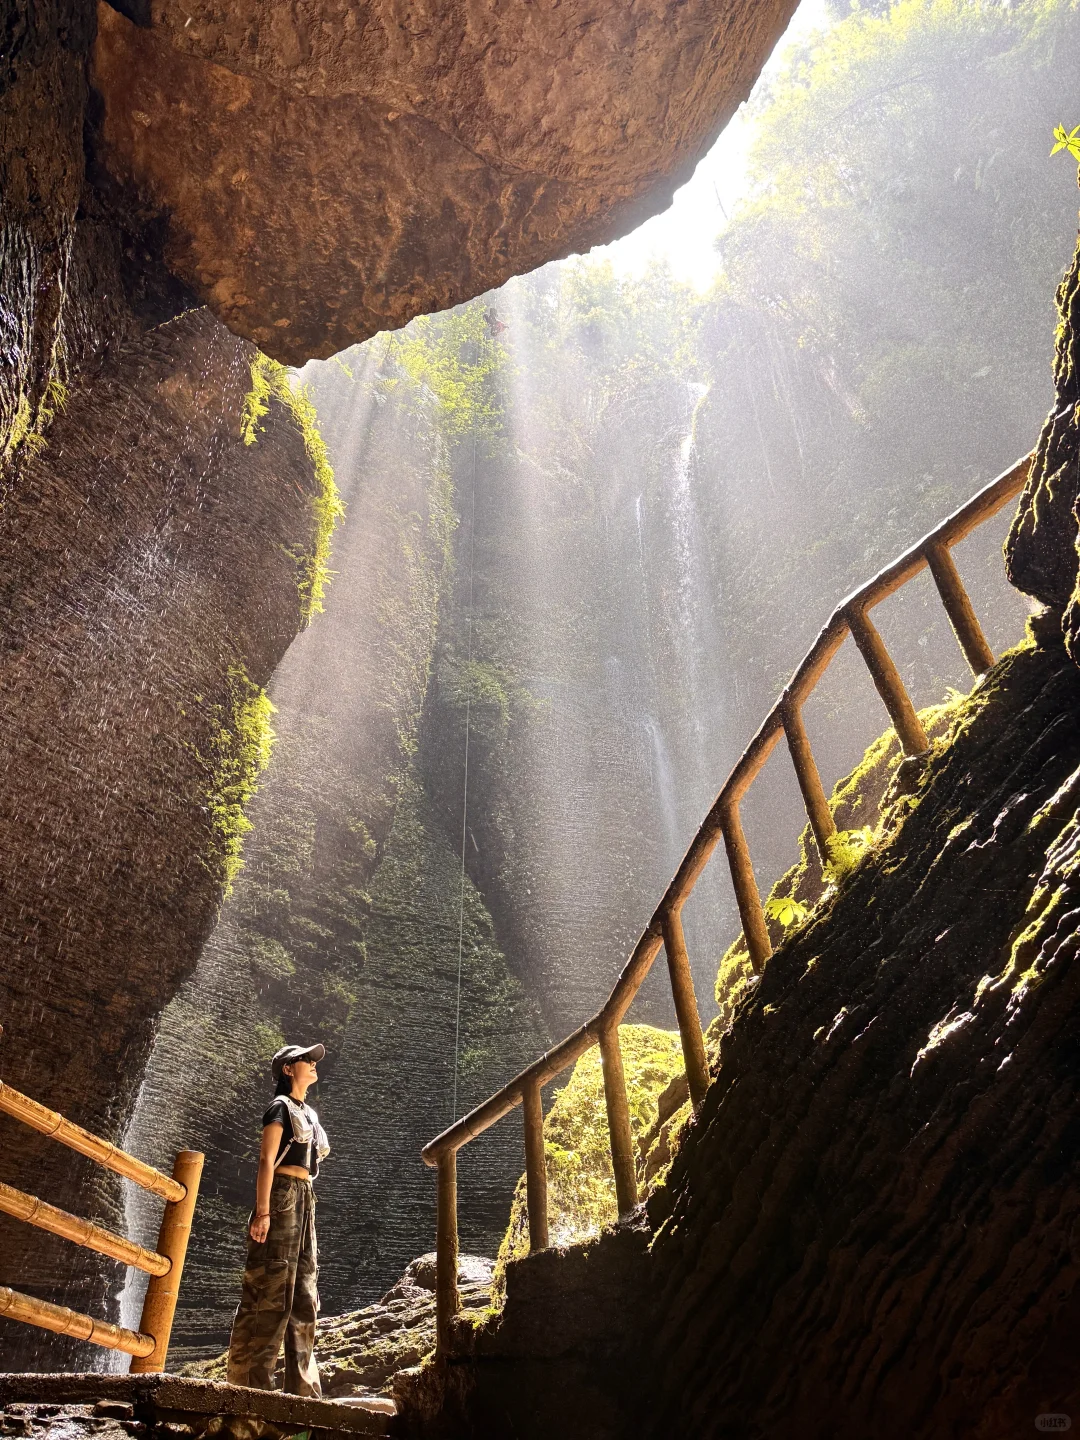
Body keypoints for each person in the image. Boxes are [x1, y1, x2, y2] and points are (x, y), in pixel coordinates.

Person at [226, 1043, 330, 1395]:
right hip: (281, 1196)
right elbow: (266, 1160)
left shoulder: (309, 1114)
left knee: (305, 1293)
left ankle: (304, 1393)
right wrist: (263, 1211)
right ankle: (249, 1390)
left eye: (314, 1060)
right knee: (271, 1290)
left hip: (305, 1197)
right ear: (288, 1069)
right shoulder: (279, 1108)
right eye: (306, 1060)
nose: (313, 1064)